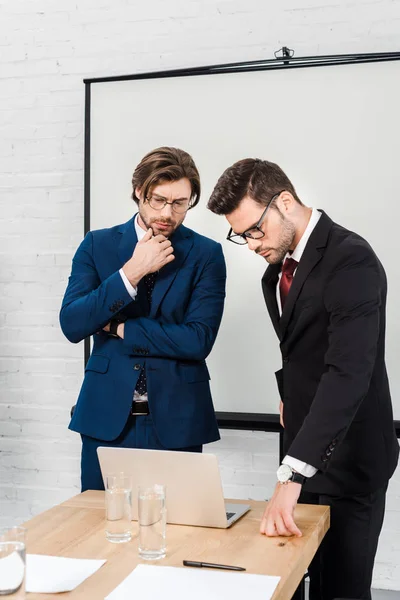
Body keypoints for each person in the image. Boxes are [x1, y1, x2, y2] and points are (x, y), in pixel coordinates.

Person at [207, 158, 399, 600]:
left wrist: (291, 475)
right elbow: (302, 350)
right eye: (240, 236)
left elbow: (349, 371)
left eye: (254, 230)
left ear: (286, 203)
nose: (250, 244)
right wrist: (288, 395)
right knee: (288, 582)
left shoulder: (351, 259)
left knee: (339, 591)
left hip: (351, 463)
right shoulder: (276, 273)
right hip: (301, 449)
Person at [60, 147, 226, 492]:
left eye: (180, 202)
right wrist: (131, 273)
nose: (168, 212)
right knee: (98, 532)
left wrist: (120, 327)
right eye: (158, 200)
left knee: (180, 535)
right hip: (105, 418)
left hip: (177, 419)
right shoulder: (97, 245)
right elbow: (73, 324)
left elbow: (197, 341)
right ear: (139, 191)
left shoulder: (206, 254)